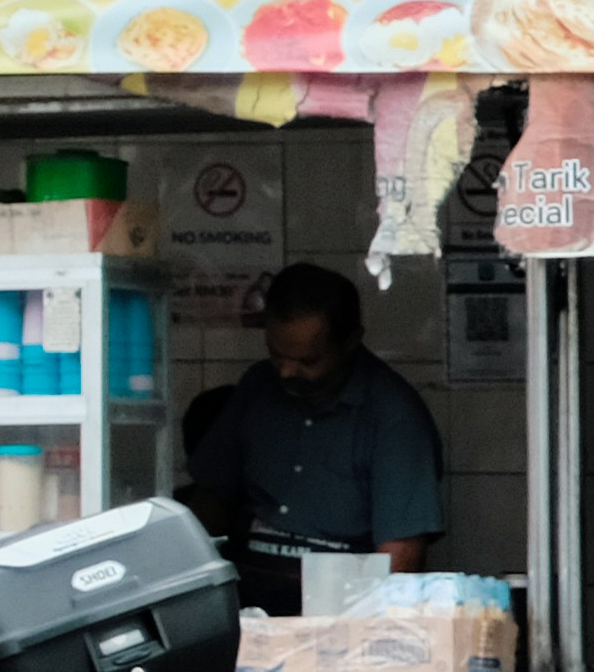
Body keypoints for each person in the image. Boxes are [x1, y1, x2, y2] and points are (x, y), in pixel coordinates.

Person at [177, 261, 444, 615]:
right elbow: (212, 501)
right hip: (248, 593)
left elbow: (401, 555)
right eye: (277, 355)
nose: (287, 371)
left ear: (351, 341)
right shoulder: (258, 387)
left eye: (308, 361)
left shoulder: (393, 416)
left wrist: (360, 632)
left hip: (342, 602)